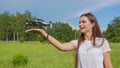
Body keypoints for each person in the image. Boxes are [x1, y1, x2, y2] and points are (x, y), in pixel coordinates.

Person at [25, 13, 113, 68]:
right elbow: (62, 47)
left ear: (93, 24)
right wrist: (44, 34)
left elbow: (108, 65)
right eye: (79, 22)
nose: (80, 24)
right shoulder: (77, 43)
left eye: (83, 22)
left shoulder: (102, 42)